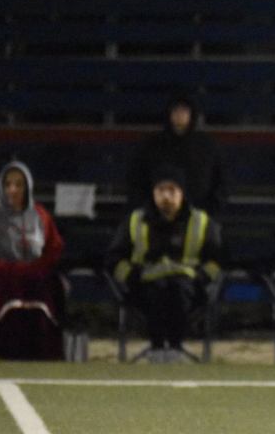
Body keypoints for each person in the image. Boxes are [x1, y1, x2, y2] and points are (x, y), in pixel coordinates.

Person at [107, 164, 223, 362]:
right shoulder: (134, 220)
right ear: (153, 193)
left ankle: (175, 347)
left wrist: (201, 277)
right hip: (144, 284)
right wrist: (132, 276)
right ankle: (158, 347)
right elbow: (114, 258)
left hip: (188, 286)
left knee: (178, 291)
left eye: (172, 190)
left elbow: (218, 258)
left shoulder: (202, 221)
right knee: (155, 293)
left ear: (182, 193)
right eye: (161, 190)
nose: (166, 196)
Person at [0, 161, 65, 360]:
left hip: (36, 275)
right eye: (8, 184)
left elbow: (53, 249)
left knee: (49, 289)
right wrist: (12, 269)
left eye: (19, 184)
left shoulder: (41, 215)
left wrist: (34, 268)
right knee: (3, 296)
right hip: (0, 277)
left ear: (28, 187)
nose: (13, 189)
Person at [126, 92, 227, 216]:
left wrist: (211, 209)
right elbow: (137, 180)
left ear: (192, 114)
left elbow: (221, 181)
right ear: (169, 114)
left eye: (184, 110)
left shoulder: (207, 146)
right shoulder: (152, 146)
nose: (179, 115)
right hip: (158, 215)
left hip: (200, 214)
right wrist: (147, 209)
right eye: (175, 110)